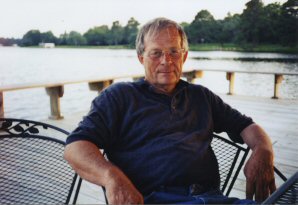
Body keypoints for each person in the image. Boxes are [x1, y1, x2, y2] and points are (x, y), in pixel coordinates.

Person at [64, 17, 276, 204]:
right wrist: (111, 177)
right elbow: (76, 147)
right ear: (141, 58)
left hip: (211, 198)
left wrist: (263, 150)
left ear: (184, 56)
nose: (166, 61)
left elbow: (246, 126)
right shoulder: (119, 96)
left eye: (174, 51)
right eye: (156, 53)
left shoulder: (201, 96)